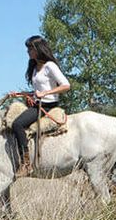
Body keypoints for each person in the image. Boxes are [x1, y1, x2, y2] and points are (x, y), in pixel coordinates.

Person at [8, 35, 70, 177]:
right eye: (28, 48)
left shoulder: (50, 66)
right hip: (37, 103)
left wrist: (46, 93)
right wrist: (21, 94)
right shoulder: (35, 67)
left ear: (38, 49)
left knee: (17, 124)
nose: (28, 51)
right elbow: (38, 91)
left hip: (47, 106)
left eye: (30, 48)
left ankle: (26, 164)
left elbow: (66, 85)